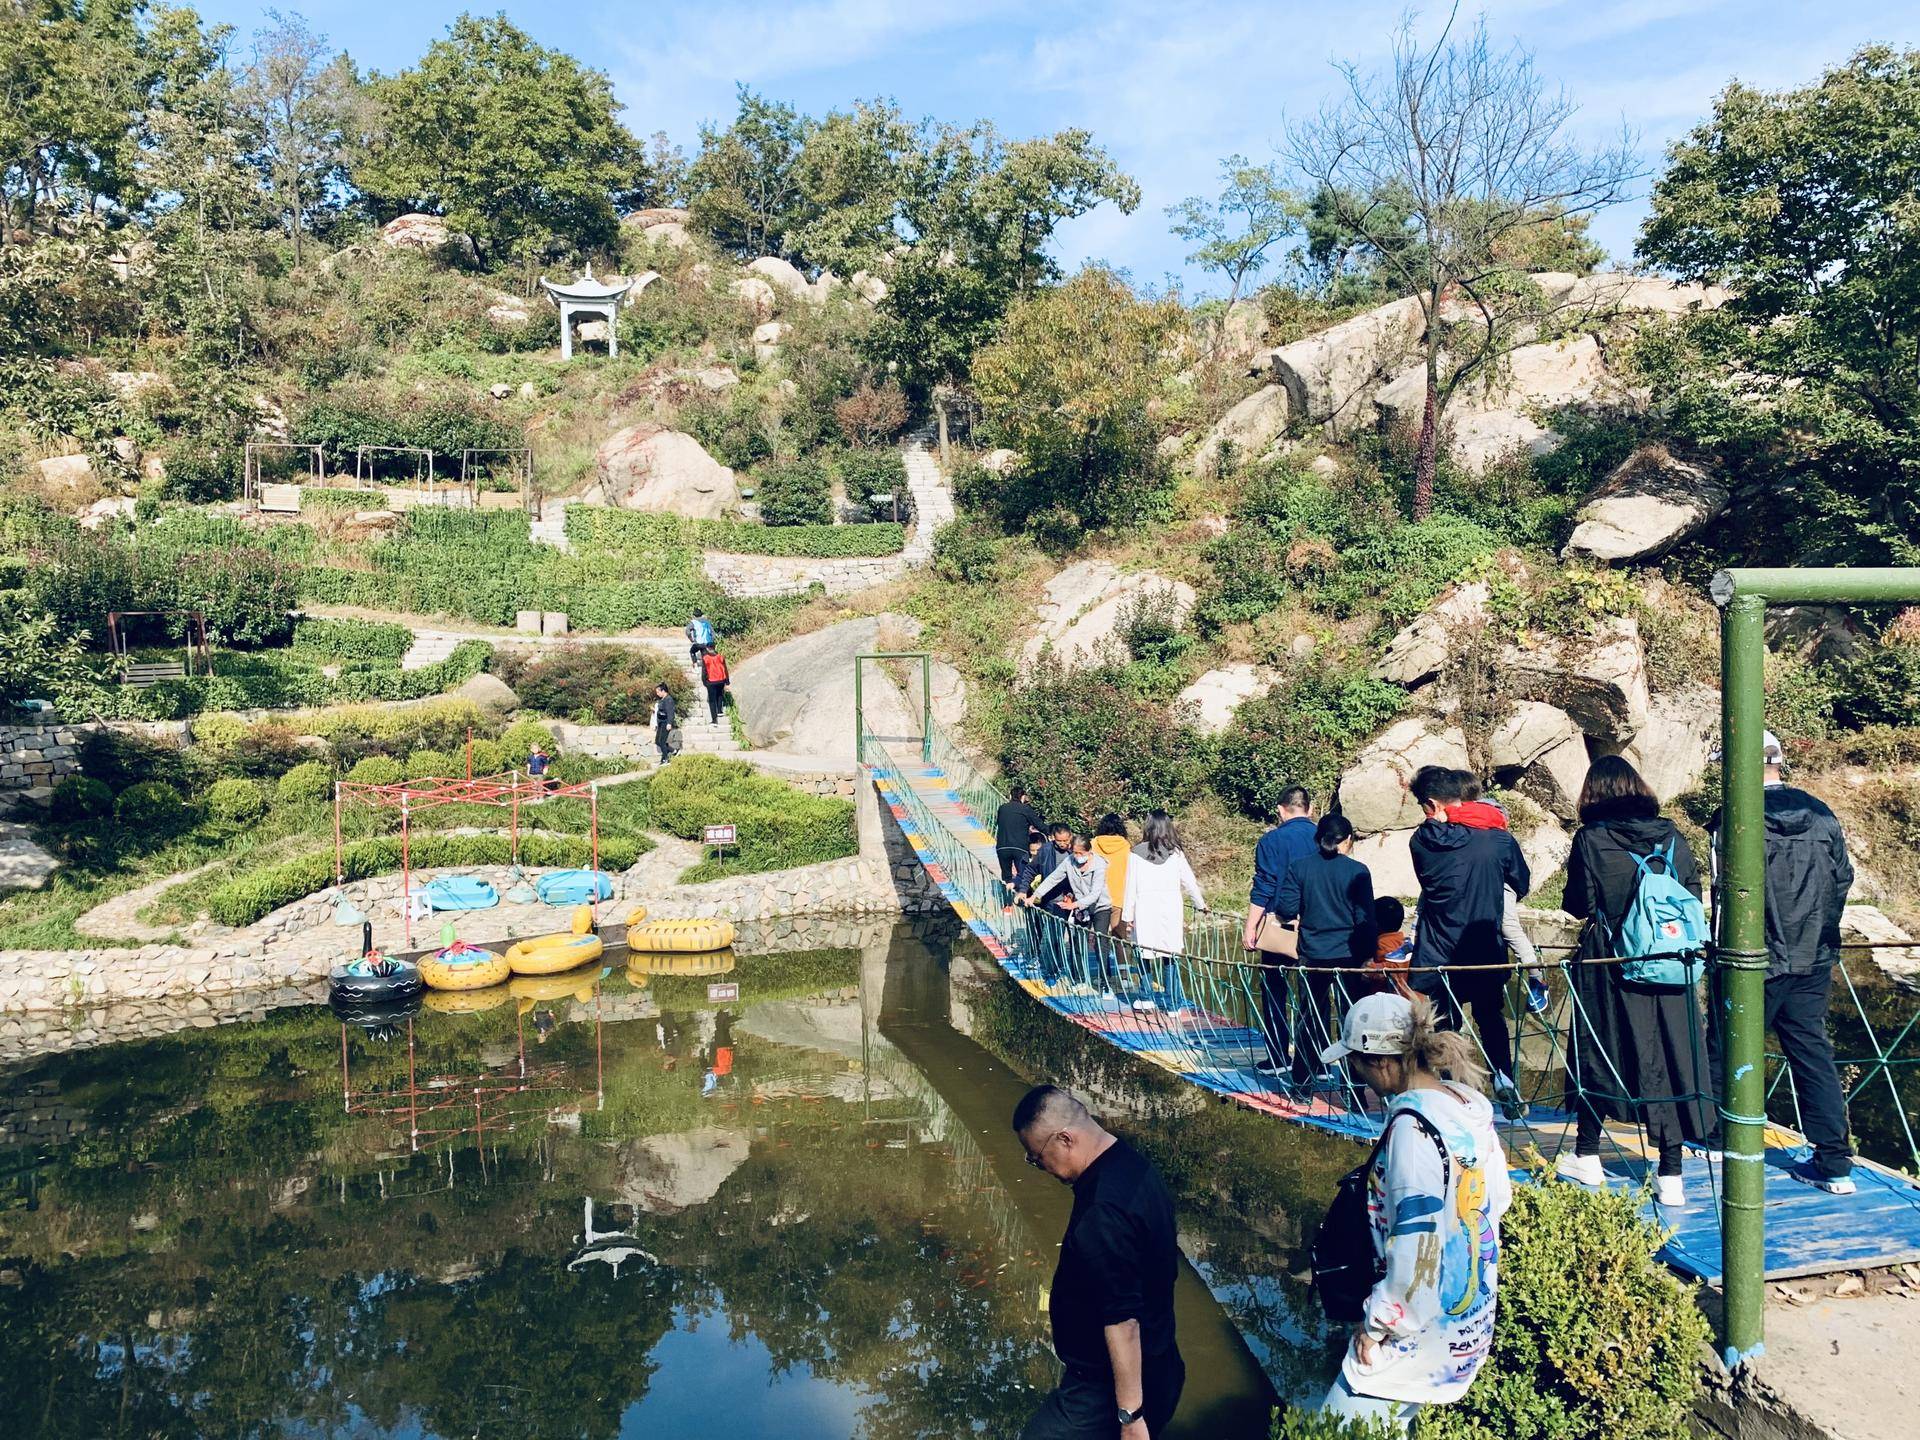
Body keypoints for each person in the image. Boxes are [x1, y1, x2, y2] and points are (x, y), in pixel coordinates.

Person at [1318, 992, 1511, 1434]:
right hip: (1467, 1326)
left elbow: (1415, 1247)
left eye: (1357, 1064)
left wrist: (1376, 1328)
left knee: (1328, 1430)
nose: (1358, 1076)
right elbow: (1497, 1202)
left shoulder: (1412, 1130)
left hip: (1411, 1340)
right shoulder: (1467, 1109)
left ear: (1383, 1063)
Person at [1556, 755, 1716, 1208]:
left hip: (1612, 964)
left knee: (1599, 1050)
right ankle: (1671, 1174)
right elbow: (1692, 895)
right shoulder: (1672, 836)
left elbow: (1579, 903)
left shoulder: (1590, 839)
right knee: (1670, 1056)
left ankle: (1587, 1154)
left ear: (1593, 794)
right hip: (1670, 963)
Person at [1709, 731, 1857, 1195]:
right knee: (1812, 1053)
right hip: (1813, 955)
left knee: (1726, 1042)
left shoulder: (1733, 818)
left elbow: (1723, 897)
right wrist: (1821, 935)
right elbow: (1841, 881)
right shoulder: (1821, 814)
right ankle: (1834, 1160)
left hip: (1754, 957)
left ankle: (1717, 1135)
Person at [1012, 1085, 1184, 1440]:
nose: (1040, 1167)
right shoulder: (1134, 1167)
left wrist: (1131, 1417)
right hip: (1162, 1362)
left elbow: (1124, 1322)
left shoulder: (1102, 1214)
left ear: (1064, 1139)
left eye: (1037, 1156)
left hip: (1103, 1391)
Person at [1406, 766, 1530, 1108]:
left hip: (1439, 950)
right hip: (1484, 945)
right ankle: (1503, 1079)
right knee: (1491, 1017)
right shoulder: (1499, 840)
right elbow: (1521, 883)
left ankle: (1451, 1093)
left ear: (1432, 805)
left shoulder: (1421, 841)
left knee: (1446, 1023)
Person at [1273, 814, 1377, 1084]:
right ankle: (1355, 1087)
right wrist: (1369, 955)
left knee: (1309, 1018)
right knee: (1352, 1020)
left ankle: (1302, 1083)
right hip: (1349, 955)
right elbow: (1365, 919)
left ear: (1318, 839)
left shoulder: (1300, 868)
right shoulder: (1358, 871)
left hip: (1313, 954)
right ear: (1348, 840)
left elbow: (1285, 909)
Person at [1445, 772, 1546, 992]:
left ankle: (1537, 978)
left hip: (1499, 881)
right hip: (1477, 881)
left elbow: (1516, 872)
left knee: (1508, 926)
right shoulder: (1459, 821)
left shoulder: (1479, 820)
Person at [1243, 786, 1319, 1075]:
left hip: (1280, 928)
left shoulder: (1271, 840)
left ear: (1280, 809)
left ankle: (1277, 1056)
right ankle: (1316, 1059)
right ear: (1309, 809)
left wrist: (1251, 927)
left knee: (1275, 990)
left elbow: (1264, 886)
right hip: (1316, 927)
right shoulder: (1322, 836)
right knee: (1314, 994)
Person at [1121, 811, 1207, 1013]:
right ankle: (1173, 1005)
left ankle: (1145, 998)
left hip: (1144, 910)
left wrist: (1127, 916)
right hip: (1170, 910)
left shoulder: (1135, 853)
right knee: (1171, 956)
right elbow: (1190, 883)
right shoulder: (1176, 853)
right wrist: (1200, 904)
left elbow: (1130, 887)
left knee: (1144, 953)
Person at [1028, 835, 1115, 991]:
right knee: (1077, 941)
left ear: (1089, 852)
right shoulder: (1069, 862)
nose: (1077, 857)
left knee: (1100, 942)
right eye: (1074, 852)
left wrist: (1074, 904)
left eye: (1081, 853)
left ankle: (1105, 983)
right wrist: (1036, 895)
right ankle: (1079, 978)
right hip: (1082, 908)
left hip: (1100, 907)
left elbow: (1095, 893)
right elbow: (1053, 878)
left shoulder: (1099, 865)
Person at [995, 785, 1049, 885]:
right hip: (1020, 847)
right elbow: (1040, 825)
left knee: (1007, 878)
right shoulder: (1025, 809)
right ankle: (1022, 897)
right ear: (1023, 797)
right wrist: (1052, 833)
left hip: (1002, 847)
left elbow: (999, 823)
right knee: (1024, 876)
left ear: (1010, 796)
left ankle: (1007, 895)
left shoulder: (1002, 808)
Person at [1365, 897, 1415, 999]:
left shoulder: (1382, 944)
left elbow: (1395, 965)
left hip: (1389, 1002)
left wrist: (1369, 969)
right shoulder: (1404, 942)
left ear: (1376, 923)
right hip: (1410, 999)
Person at [1092, 814, 1132, 935]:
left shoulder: (1093, 844)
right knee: (1119, 937)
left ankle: (1102, 954)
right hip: (1119, 898)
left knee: (1100, 937)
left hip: (1099, 897)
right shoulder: (1126, 846)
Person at [700, 647, 730, 724]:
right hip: (721, 680)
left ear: (708, 649)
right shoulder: (720, 657)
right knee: (720, 694)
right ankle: (720, 711)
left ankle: (714, 720)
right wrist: (727, 682)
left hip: (711, 681)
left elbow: (704, 671)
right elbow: (725, 669)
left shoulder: (706, 658)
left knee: (712, 701)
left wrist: (704, 682)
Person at [651, 682, 677, 766]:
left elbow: (670, 712)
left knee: (662, 741)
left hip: (666, 723)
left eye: (658, 692)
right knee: (658, 741)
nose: (657, 694)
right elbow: (662, 711)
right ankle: (673, 751)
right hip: (661, 723)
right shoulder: (662, 699)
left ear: (663, 691)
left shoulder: (669, 700)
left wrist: (669, 723)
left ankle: (665, 759)